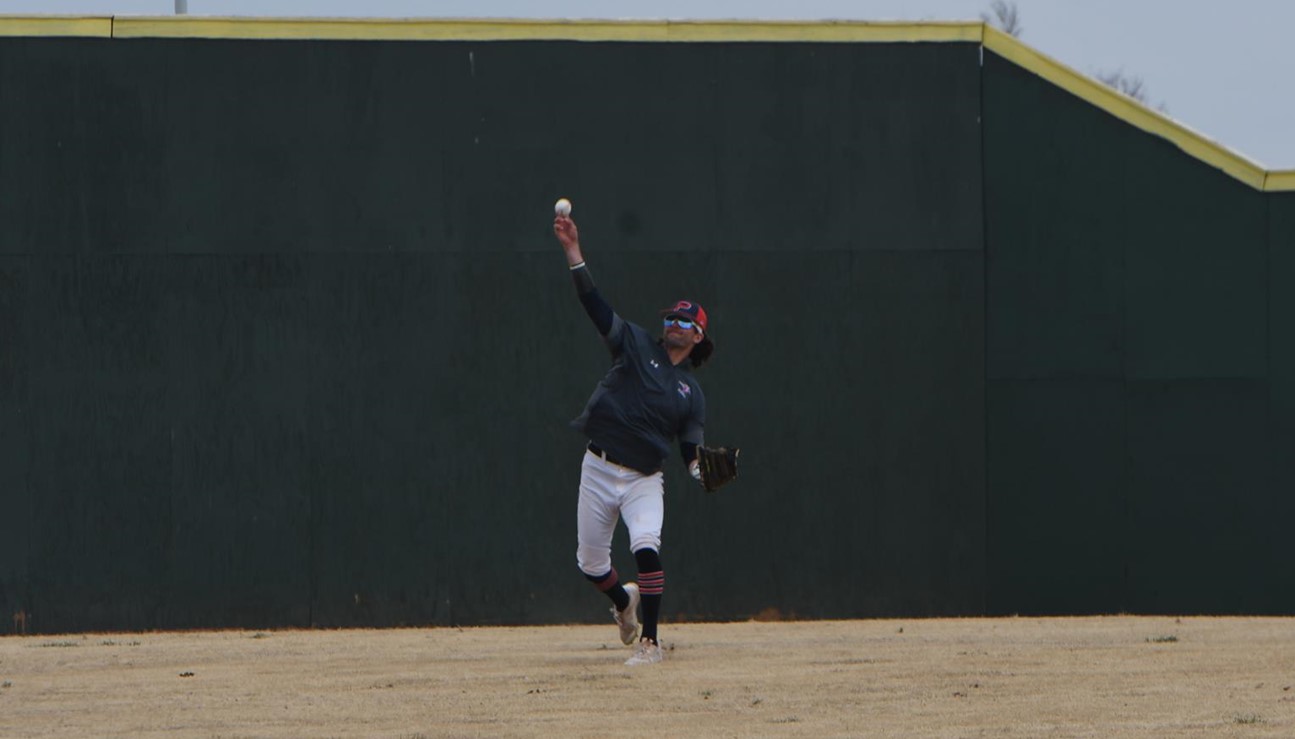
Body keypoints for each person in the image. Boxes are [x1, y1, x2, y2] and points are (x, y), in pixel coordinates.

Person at [553, 210, 713, 666]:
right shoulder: (636, 344)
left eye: (686, 323)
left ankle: (651, 643)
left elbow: (690, 447)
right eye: (673, 318)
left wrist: (700, 468)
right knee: (590, 564)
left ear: (699, 338)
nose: (676, 324)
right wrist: (573, 253)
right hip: (599, 466)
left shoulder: (691, 393)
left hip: (644, 478)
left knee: (646, 545)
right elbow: (596, 306)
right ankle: (624, 605)